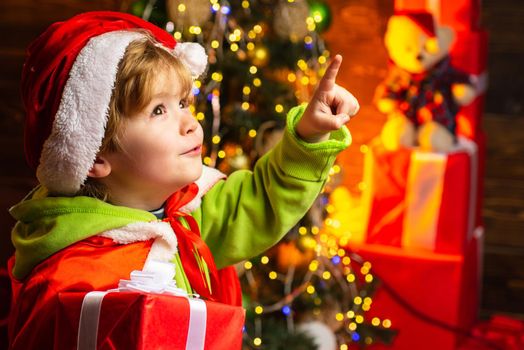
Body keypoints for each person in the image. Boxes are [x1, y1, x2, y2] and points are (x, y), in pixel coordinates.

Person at [7, 11, 359, 349]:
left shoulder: (190, 212)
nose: (189, 123)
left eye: (183, 102)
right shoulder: (70, 276)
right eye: (158, 110)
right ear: (95, 154)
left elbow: (264, 198)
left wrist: (309, 134)